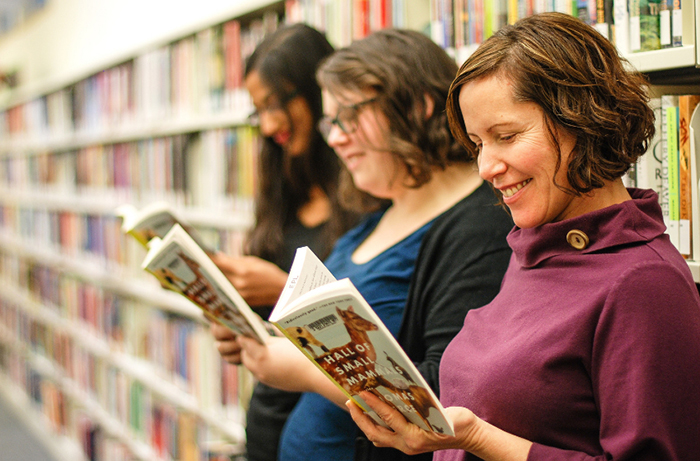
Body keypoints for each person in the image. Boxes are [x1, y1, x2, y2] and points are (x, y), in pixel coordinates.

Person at [348, 12, 700, 461]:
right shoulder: (533, 244)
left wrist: (476, 438)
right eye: (478, 143)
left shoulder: (643, 284)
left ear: (583, 119)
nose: (485, 167)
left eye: (507, 136)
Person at [217, 28, 513, 461]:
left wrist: (302, 367)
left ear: (418, 106)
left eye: (348, 117)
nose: (335, 137)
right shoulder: (374, 219)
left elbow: (443, 396)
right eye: (330, 122)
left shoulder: (478, 226)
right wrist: (258, 337)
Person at [208, 23, 360, 461]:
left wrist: (282, 290)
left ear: (319, 92)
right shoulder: (282, 189)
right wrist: (234, 320)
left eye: (277, 104)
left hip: (336, 428)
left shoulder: (368, 195)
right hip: (269, 421)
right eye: (259, 111)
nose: (270, 124)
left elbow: (372, 326)